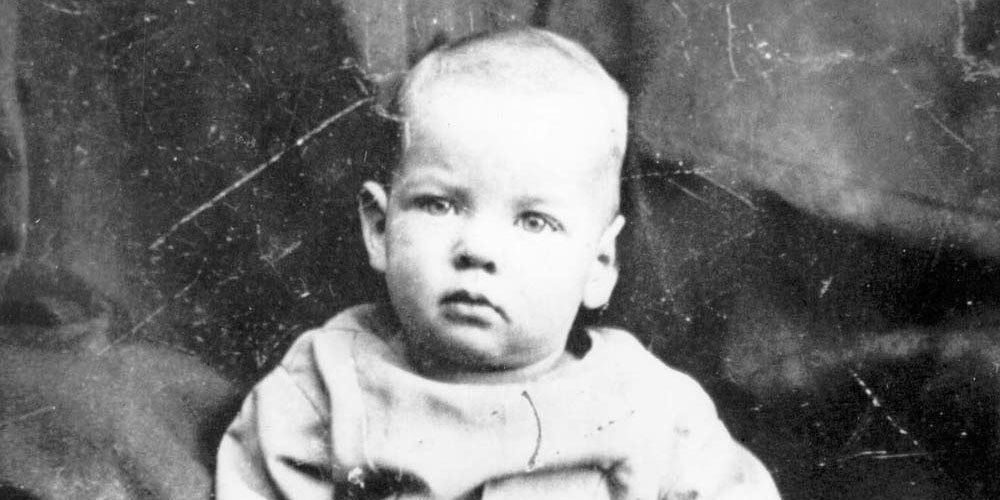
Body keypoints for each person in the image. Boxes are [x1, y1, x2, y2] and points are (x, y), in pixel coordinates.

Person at [216, 27, 781, 500]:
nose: (478, 249)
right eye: (440, 204)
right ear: (380, 228)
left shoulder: (650, 406)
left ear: (600, 263)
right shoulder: (327, 379)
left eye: (534, 221)